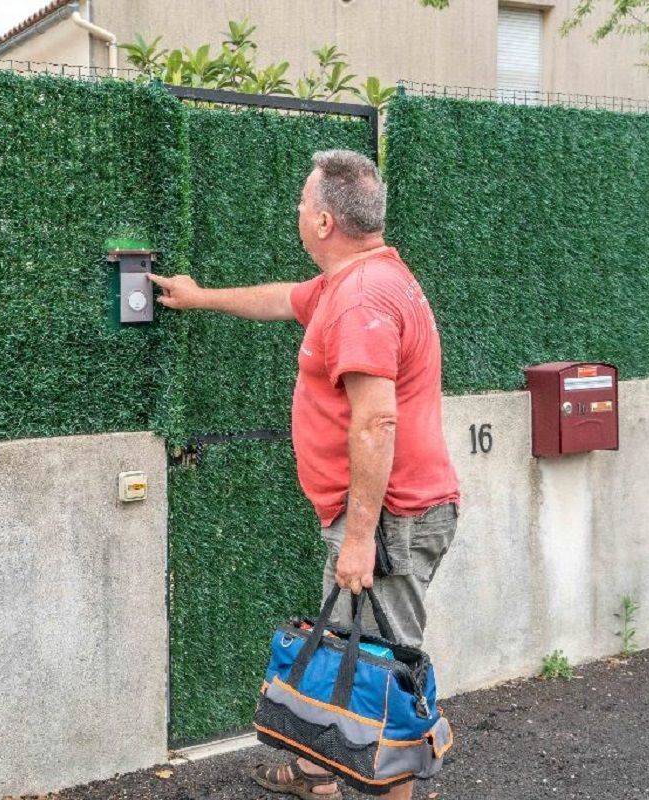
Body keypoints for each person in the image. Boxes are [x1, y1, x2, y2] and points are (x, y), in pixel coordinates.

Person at [148, 149, 460, 800]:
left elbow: (376, 421)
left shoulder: (362, 298)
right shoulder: (355, 281)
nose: (296, 210)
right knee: (349, 652)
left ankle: (360, 781)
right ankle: (320, 774)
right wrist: (198, 296)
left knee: (382, 692)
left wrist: (359, 538)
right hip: (378, 516)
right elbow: (283, 300)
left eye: (300, 202)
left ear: (323, 222)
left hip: (388, 521)